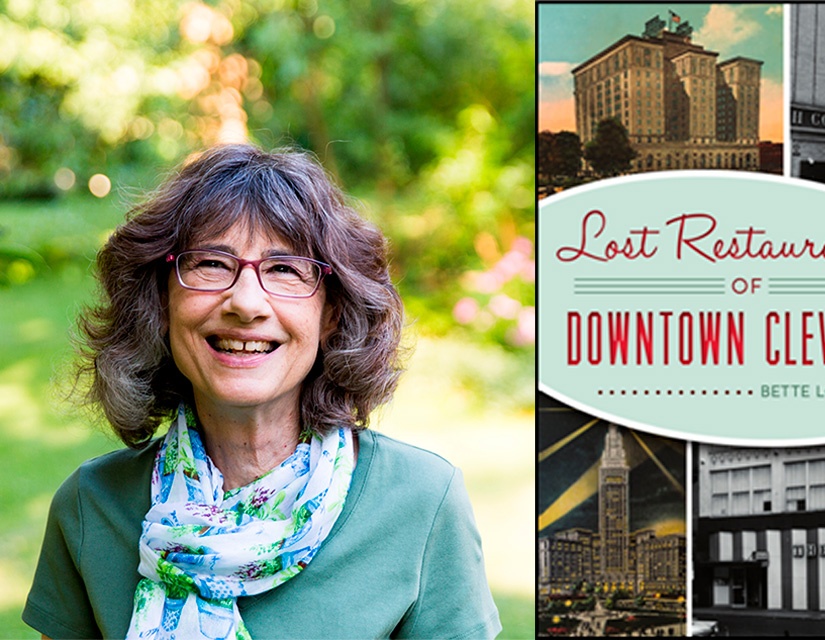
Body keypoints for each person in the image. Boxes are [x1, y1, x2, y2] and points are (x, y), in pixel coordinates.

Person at [22, 144, 501, 639]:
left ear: (331, 312)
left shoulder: (420, 502)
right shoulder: (91, 506)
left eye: (285, 269)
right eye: (210, 263)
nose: (246, 303)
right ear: (161, 300)